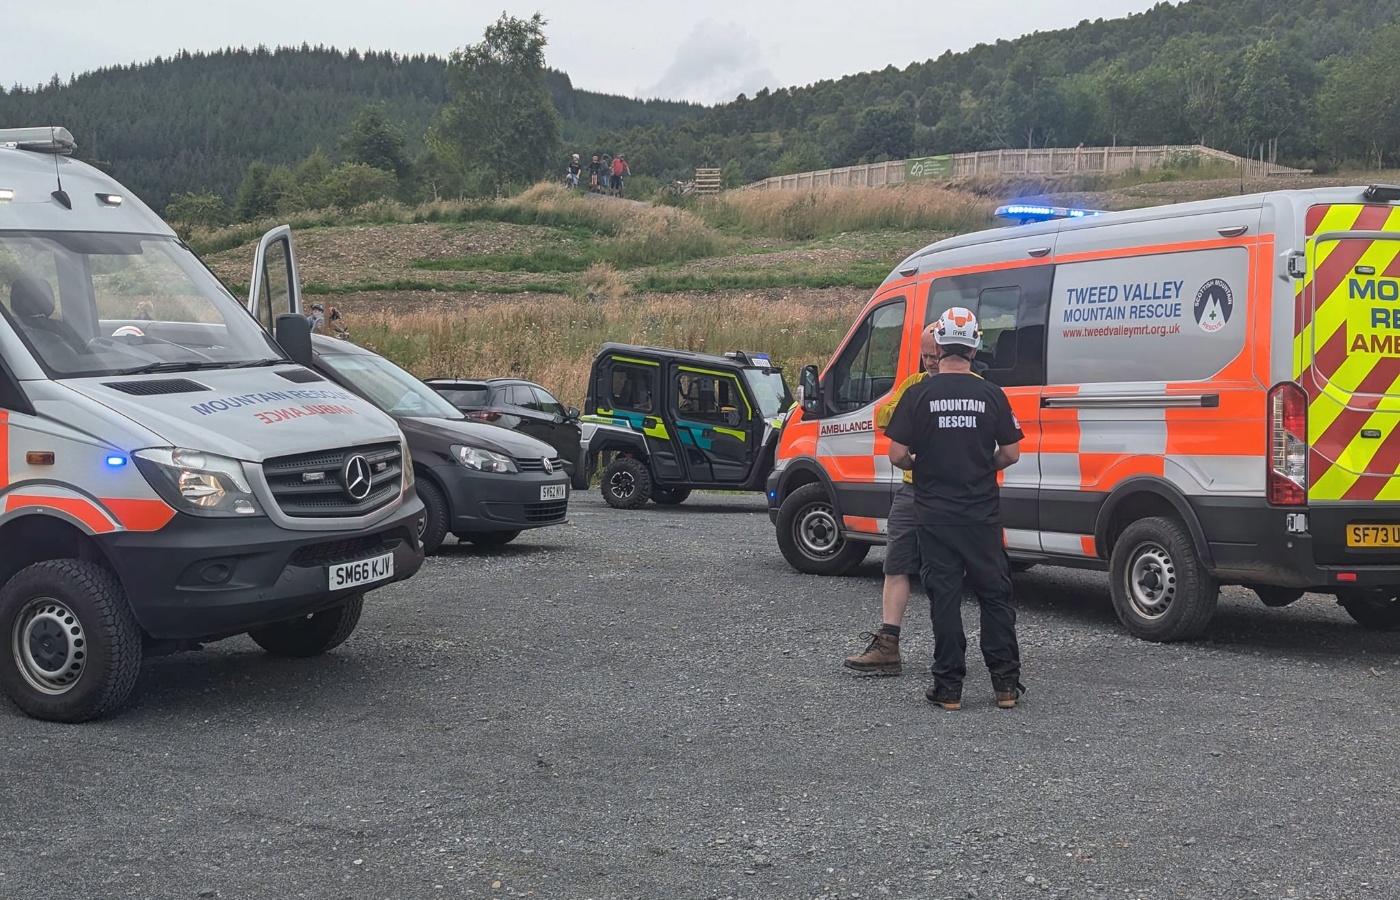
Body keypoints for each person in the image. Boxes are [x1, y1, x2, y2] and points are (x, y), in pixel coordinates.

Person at [884, 307, 1025, 711]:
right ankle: (1005, 686)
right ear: (976, 346)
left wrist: (919, 468)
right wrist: (985, 466)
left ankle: (949, 689)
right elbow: (1011, 453)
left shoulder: (918, 394)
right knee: (994, 595)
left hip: (933, 513)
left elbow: (896, 454)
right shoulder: (991, 393)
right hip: (980, 514)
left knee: (944, 597)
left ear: (940, 344)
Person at [843, 324, 942, 676]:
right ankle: (888, 645)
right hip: (912, 489)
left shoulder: (970, 386)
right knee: (895, 563)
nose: (930, 361)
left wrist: (913, 417)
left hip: (951, 494)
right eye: (925, 355)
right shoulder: (912, 384)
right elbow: (884, 416)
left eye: (936, 355)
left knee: (947, 573)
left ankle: (950, 650)